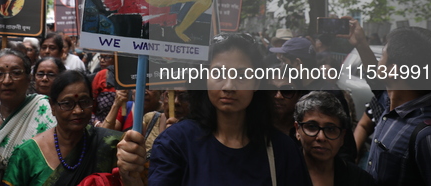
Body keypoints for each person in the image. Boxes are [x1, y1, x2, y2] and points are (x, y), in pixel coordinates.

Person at [117, 33, 311, 186]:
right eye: (218, 73)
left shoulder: (282, 150)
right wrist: (132, 178)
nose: (229, 86)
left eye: (242, 75)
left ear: (257, 83)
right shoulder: (175, 143)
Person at [343, 18, 431, 185]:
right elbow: (376, 82)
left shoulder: (430, 136)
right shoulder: (392, 103)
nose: (379, 63)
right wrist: (361, 44)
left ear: (392, 70)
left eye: (383, 56)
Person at [2, 70, 124, 185]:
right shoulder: (26, 155)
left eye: (84, 101)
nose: (78, 110)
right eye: (67, 104)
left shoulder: (109, 144)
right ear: (52, 107)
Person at [0, 49, 56, 159]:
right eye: (0, 74)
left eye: (16, 73)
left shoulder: (43, 110)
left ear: (29, 79)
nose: (7, 81)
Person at [294, 91, 376, 186]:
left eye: (330, 129)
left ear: (342, 136)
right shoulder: (281, 171)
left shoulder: (360, 180)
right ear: (297, 130)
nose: (321, 137)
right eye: (312, 127)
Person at [142, 89, 190, 157]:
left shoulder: (198, 131)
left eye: (184, 97)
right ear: (162, 98)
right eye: (170, 95)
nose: (176, 102)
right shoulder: (150, 119)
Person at [267, 65, 302, 137]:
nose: (278, 96)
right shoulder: (253, 128)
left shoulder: (305, 128)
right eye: (272, 90)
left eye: (287, 91)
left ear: (299, 95)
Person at [91, 53, 116, 124]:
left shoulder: (128, 77)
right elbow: (90, 106)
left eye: (107, 57)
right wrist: (97, 123)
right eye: (101, 57)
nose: (102, 60)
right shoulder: (100, 75)